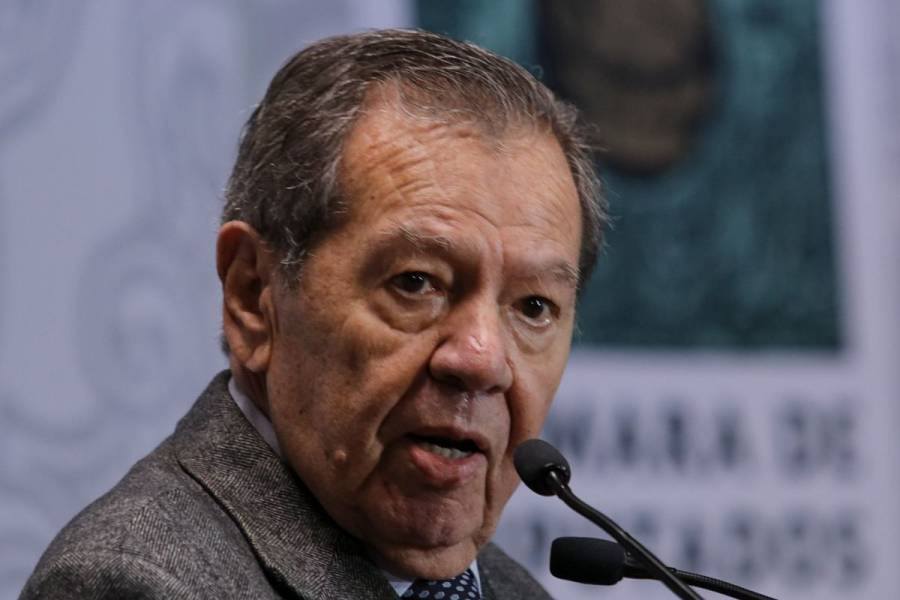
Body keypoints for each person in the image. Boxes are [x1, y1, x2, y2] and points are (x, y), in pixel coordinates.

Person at [21, 29, 606, 599]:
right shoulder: (135, 582)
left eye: (533, 307)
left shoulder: (514, 590)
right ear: (253, 295)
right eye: (416, 283)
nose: (481, 360)